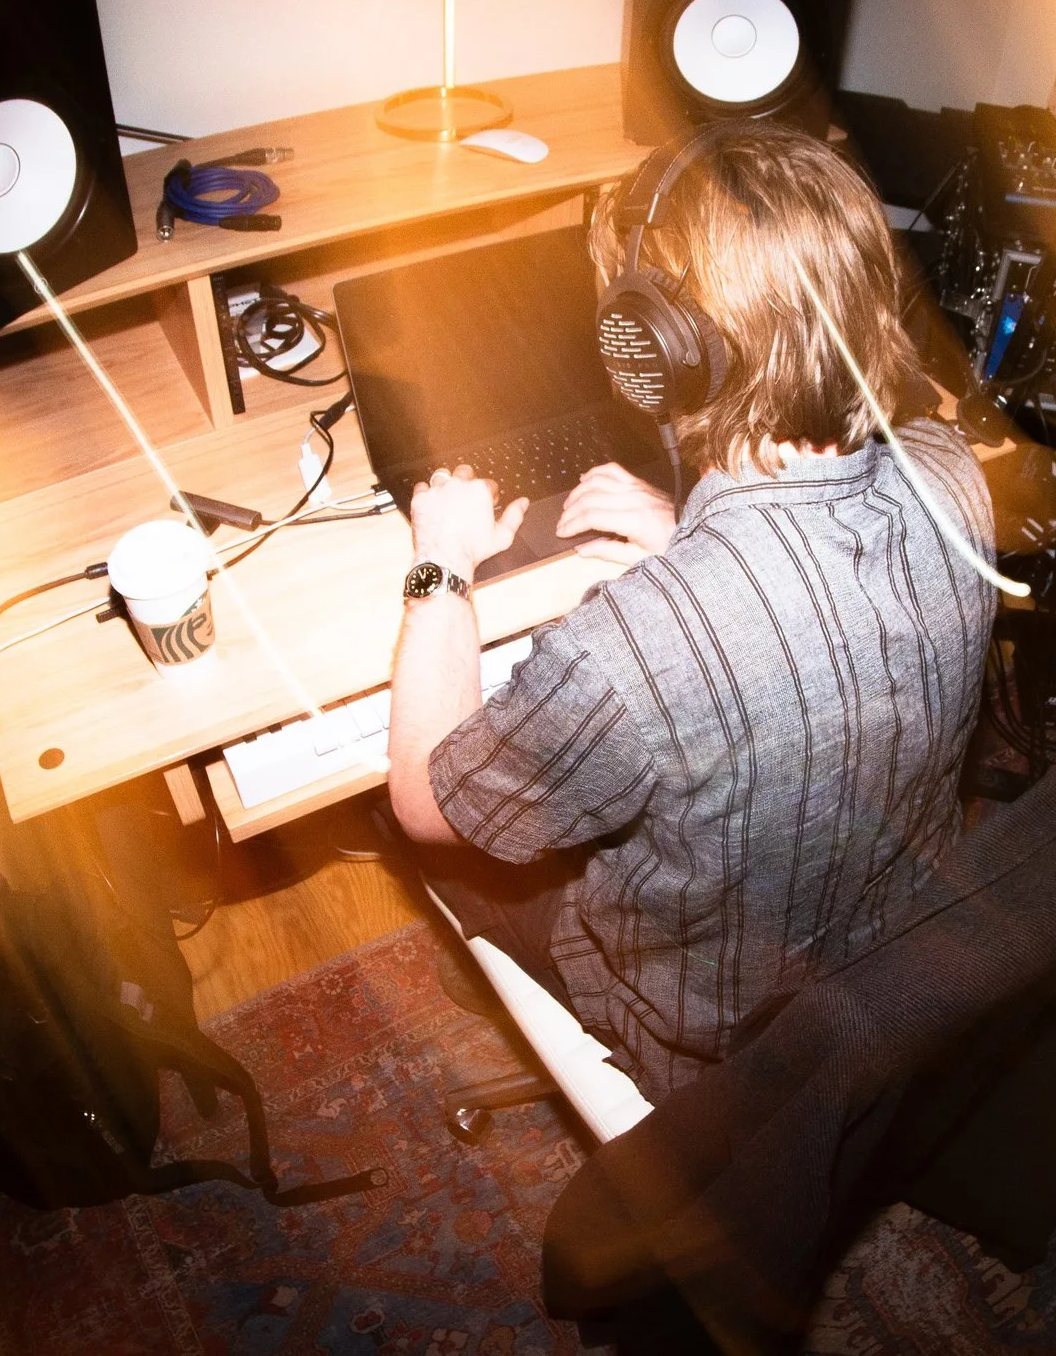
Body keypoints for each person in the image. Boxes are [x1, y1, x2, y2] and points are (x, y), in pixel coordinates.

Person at [385, 121, 996, 1099]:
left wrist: (441, 563)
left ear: (657, 350)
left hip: (709, 1033)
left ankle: (525, 992)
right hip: (888, 952)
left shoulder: (636, 644)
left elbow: (424, 802)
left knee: (434, 831)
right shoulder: (953, 474)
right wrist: (692, 535)